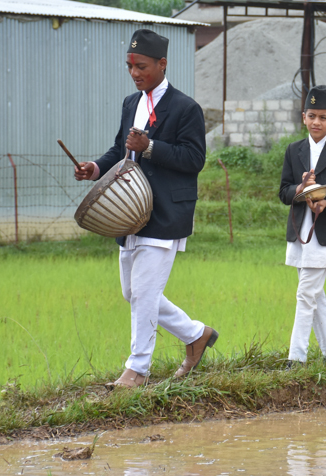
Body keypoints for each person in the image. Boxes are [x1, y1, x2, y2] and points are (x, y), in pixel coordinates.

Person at [74, 29, 216, 388]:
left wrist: (151, 146)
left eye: (142, 66)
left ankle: (137, 370)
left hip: (166, 213)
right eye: (130, 66)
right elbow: (120, 151)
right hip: (130, 212)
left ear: (162, 64)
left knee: (145, 293)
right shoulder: (130, 103)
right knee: (132, 293)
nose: (135, 73)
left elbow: (194, 159)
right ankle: (196, 334)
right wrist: (95, 167)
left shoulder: (186, 108)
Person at [279, 85, 326, 366]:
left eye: (323, 118)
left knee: (305, 294)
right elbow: (284, 191)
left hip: (325, 235)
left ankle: (295, 359)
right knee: (315, 295)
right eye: (312, 116)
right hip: (300, 234)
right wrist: (300, 189)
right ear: (303, 117)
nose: (316, 122)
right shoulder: (293, 150)